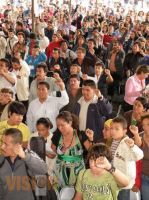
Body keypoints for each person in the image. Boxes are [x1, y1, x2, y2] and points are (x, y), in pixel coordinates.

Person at [0, 128, 47, 200]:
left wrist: (25, 157)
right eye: (2, 142)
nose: (2, 147)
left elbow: (43, 170)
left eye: (6, 144)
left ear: (17, 145)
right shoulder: (1, 161)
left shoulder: (29, 157)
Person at [51, 111, 94, 190]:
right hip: (59, 172)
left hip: (78, 171)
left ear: (70, 123)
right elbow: (53, 148)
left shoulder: (80, 135)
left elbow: (91, 150)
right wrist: (62, 155)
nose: (60, 128)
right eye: (58, 126)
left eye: (62, 125)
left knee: (77, 193)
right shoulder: (57, 135)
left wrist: (90, 139)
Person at [110, 116, 144, 200]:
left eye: (117, 129)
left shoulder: (127, 142)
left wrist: (132, 146)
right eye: (111, 128)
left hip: (124, 182)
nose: (113, 131)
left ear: (124, 130)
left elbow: (140, 155)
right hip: (113, 179)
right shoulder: (113, 141)